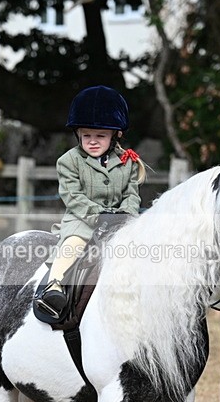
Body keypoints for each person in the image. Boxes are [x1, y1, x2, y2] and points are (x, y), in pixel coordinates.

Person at [35, 85, 145, 320]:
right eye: (87, 136)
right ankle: (53, 286)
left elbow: (132, 194)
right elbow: (72, 196)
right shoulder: (68, 161)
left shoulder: (128, 163)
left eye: (100, 136)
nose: (93, 141)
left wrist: (126, 214)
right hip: (82, 220)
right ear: (78, 134)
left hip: (120, 221)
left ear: (116, 135)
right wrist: (98, 215)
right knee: (74, 242)